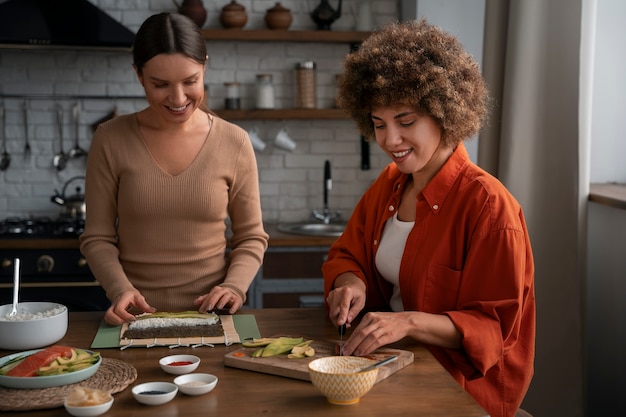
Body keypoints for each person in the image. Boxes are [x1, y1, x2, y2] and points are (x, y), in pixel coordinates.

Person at [322, 20, 535, 417]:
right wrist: (349, 284)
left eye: (405, 121)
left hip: (462, 389)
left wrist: (407, 323)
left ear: (445, 113)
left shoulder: (490, 207)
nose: (389, 141)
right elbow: (347, 253)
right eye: (378, 124)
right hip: (394, 368)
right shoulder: (389, 185)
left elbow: (495, 332)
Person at [80, 12, 268, 326]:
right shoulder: (110, 139)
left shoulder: (235, 141)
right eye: (160, 84)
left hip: (214, 318)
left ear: (204, 66)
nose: (178, 98)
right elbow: (97, 237)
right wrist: (120, 289)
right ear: (139, 76)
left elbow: (251, 237)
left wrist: (234, 286)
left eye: (191, 81)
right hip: (134, 318)